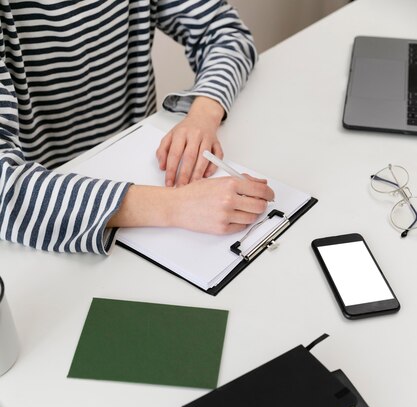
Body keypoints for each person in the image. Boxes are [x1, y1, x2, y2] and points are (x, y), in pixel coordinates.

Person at [0, 0, 274, 254]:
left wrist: (203, 113)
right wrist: (176, 205)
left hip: (142, 165)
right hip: (50, 217)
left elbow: (225, 31)